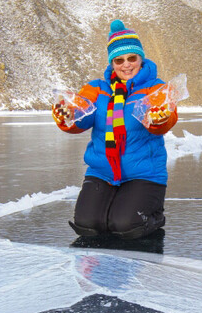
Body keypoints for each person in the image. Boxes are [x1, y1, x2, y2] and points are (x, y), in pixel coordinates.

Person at [52, 19, 178, 240]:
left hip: (144, 173)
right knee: (88, 225)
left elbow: (166, 121)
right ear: (112, 63)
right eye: (119, 60)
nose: (126, 64)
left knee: (126, 226)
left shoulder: (155, 88)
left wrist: (160, 119)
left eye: (132, 58)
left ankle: (155, 215)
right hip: (102, 171)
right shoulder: (96, 89)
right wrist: (67, 116)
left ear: (141, 58)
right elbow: (79, 120)